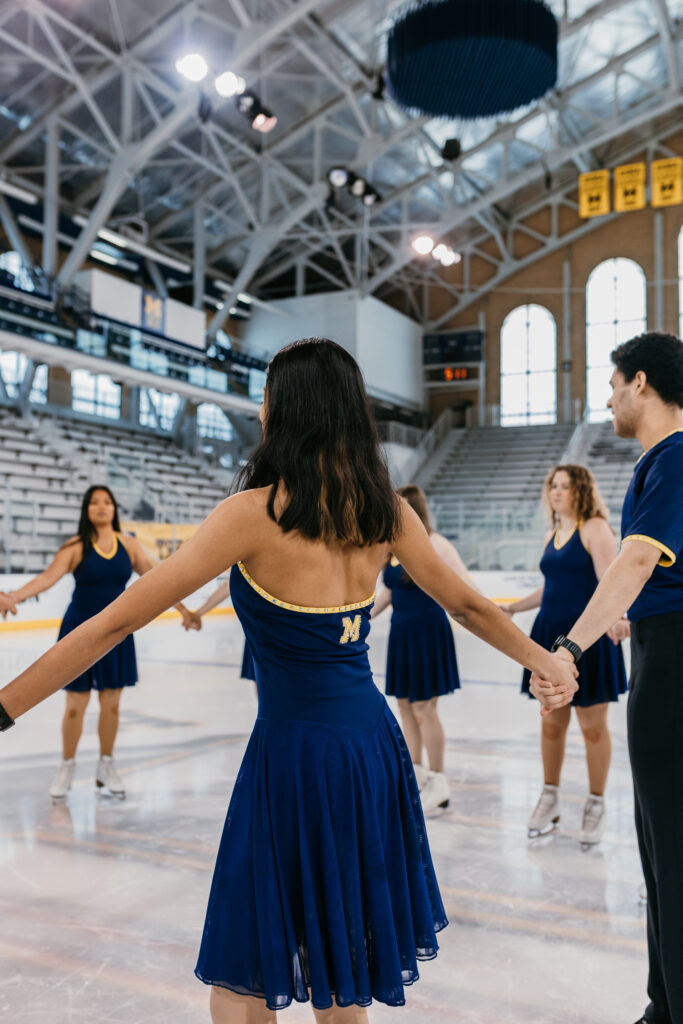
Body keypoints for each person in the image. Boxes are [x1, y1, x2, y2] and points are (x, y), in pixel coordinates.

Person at [0, 339, 577, 1023]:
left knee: (243, 972)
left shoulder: (250, 514)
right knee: (343, 961)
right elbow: (468, 605)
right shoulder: (385, 510)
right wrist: (543, 661)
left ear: (284, 408)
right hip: (369, 749)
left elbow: (108, 626)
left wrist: (4, 708)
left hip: (293, 754)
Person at [530, 332, 683, 1024]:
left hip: (674, 660)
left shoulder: (675, 456)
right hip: (656, 649)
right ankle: (663, 999)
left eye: (613, 383)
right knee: (658, 845)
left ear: (641, 382)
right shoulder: (662, 460)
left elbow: (633, 563)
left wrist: (567, 647)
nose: (607, 398)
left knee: (671, 845)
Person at [6, 485, 195, 800]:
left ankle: (106, 765)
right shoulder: (75, 546)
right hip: (77, 632)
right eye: (94, 502)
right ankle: (67, 765)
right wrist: (12, 596)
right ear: (86, 509)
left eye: (107, 502)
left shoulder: (130, 546)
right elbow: (45, 579)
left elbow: (159, 582)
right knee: (74, 708)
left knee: (112, 704)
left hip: (117, 634)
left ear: (114, 509)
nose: (101, 507)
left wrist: (186, 611)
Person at [502, 465, 628, 846]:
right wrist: (514, 608)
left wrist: (618, 618)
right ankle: (550, 797)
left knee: (592, 728)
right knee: (551, 724)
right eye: (553, 486)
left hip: (587, 642)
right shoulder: (552, 534)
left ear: (581, 490)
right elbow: (550, 587)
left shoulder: (595, 528)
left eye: (565, 486)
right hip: (548, 640)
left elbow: (611, 580)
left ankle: (596, 803)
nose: (557, 492)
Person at [372, 484, 474, 814]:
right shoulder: (391, 548)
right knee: (404, 706)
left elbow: (463, 583)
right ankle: (415, 774)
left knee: (424, 708)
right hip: (402, 632)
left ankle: (438, 780)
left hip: (428, 631)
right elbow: (388, 592)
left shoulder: (436, 544)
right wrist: (359, 616)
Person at [182, 579, 256, 681]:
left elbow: (228, 585)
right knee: (261, 680)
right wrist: (197, 614)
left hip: (266, 630)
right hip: (258, 632)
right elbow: (229, 585)